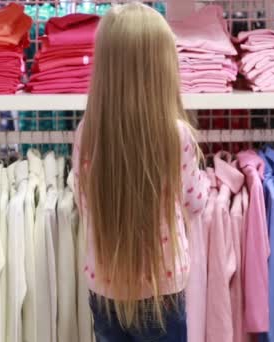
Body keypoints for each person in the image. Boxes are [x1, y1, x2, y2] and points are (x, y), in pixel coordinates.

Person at [72, 3, 210, 341]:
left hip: (105, 286)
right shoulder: (176, 135)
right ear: (161, 67)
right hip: (162, 291)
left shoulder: (87, 132)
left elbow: (82, 197)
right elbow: (196, 200)